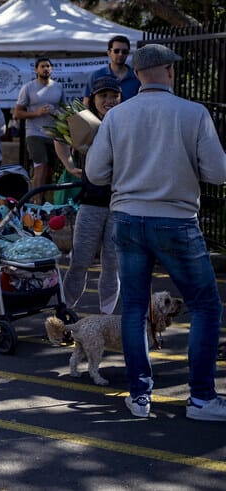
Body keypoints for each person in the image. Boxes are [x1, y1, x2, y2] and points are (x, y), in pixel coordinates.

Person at [86, 44, 226, 421]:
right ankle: (201, 399)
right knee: (207, 306)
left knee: (132, 308)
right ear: (168, 72)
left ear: (138, 75)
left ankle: (140, 397)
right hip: (176, 220)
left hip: (129, 219)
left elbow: (95, 174)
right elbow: (218, 173)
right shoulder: (193, 113)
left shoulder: (117, 116)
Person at [56, 76, 121, 315]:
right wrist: (70, 165)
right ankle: (65, 312)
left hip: (118, 204)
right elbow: (58, 138)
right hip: (92, 202)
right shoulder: (85, 122)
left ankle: (107, 317)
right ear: (93, 99)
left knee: (112, 265)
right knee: (80, 261)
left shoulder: (126, 120)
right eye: (103, 96)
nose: (109, 101)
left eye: (113, 95)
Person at [13, 57, 64, 198]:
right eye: (42, 66)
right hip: (35, 133)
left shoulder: (58, 87)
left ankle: (44, 202)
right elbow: (17, 113)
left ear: (51, 69)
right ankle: (35, 205)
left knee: (50, 171)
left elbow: (64, 110)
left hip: (54, 135)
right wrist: (37, 113)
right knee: (40, 167)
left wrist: (56, 112)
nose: (45, 68)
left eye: (48, 66)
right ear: (36, 69)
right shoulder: (28, 88)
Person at [83, 35, 140, 108]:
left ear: (128, 53)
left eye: (124, 51)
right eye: (116, 51)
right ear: (109, 52)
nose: (120, 54)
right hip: (103, 119)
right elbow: (86, 104)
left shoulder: (137, 76)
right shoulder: (96, 75)